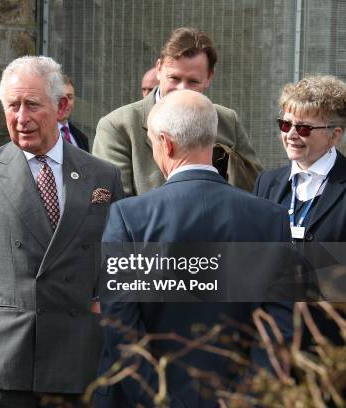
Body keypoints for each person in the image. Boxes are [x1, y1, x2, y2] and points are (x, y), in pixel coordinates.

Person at [95, 90, 293, 407]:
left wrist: (159, 399)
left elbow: (120, 329)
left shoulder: (129, 218)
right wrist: (244, 398)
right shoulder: (271, 219)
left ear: (167, 144)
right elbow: (277, 329)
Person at [0, 56, 124, 407]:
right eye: (12, 106)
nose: (21, 118)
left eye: (32, 105)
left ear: (62, 106)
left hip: (78, 366)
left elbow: (116, 267)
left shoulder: (103, 176)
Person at [93, 27, 262, 196]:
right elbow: (115, 205)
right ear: (159, 69)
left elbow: (255, 188)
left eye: (193, 81)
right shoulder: (118, 126)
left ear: (209, 78)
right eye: (174, 78)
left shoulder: (226, 121)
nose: (182, 88)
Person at [253, 75, 346, 348]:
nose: (291, 134)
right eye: (285, 124)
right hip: (273, 336)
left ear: (334, 135)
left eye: (304, 128)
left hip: (331, 340)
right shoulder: (267, 182)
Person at [57, 75, 90, 151]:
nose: (65, 103)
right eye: (60, 97)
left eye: (69, 97)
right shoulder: (40, 136)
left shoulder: (82, 138)